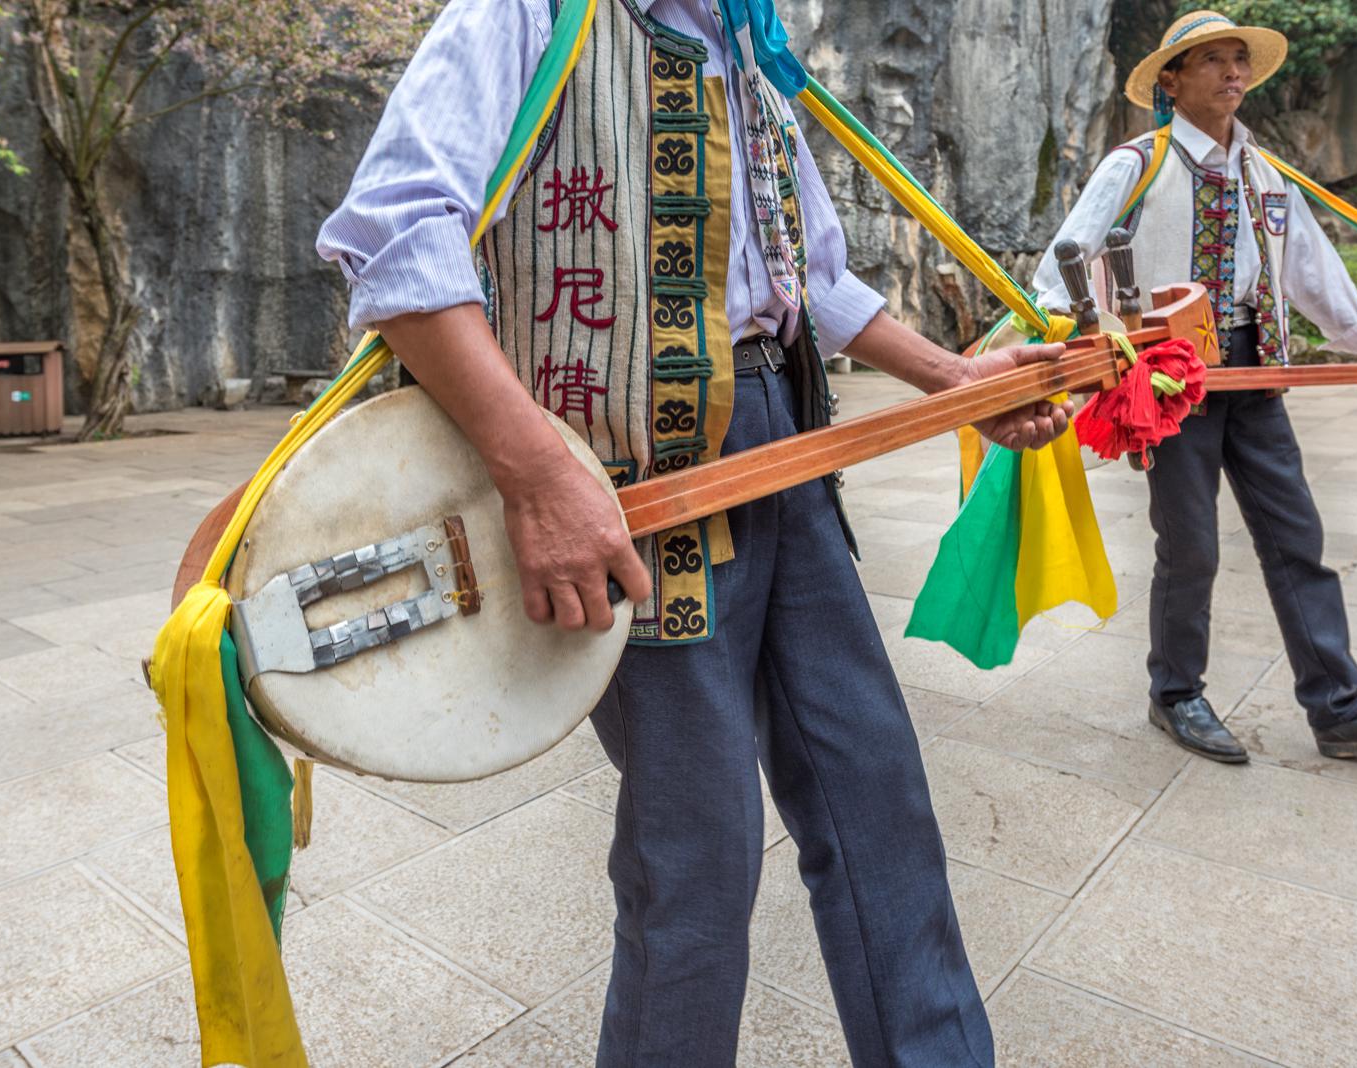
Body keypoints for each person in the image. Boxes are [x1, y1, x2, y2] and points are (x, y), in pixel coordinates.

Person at [318, 1, 1071, 1063]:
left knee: (876, 794)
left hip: (783, 445)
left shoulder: (749, 51)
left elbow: (811, 281)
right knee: (699, 844)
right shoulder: (529, 12)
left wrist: (957, 384)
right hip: (627, 475)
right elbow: (394, 228)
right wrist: (533, 471)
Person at [1032, 10, 1357, 766]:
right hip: (1172, 378)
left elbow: (1317, 279)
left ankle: (1337, 706)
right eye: (1211, 60)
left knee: (1297, 538)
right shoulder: (1136, 163)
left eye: (1239, 59)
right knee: (1191, 545)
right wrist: (1101, 351)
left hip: (1256, 368)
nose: (1232, 72)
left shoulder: (1268, 173)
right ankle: (1175, 694)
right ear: (1171, 80)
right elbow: (1060, 268)